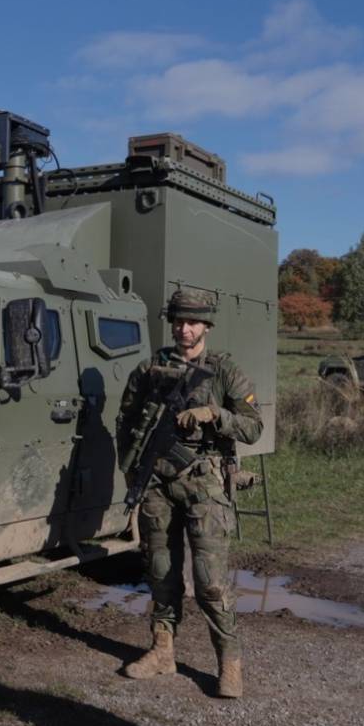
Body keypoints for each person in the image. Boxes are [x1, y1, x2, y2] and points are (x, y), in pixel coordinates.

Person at [115, 289, 263, 699]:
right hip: (157, 484)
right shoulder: (150, 369)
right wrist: (131, 472)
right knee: (161, 573)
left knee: (210, 582)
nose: (185, 329)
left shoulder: (223, 371)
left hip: (204, 484)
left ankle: (229, 664)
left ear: (207, 326)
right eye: (179, 321)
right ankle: (163, 652)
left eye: (193, 322)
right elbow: (125, 420)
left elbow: (253, 426)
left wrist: (215, 415)